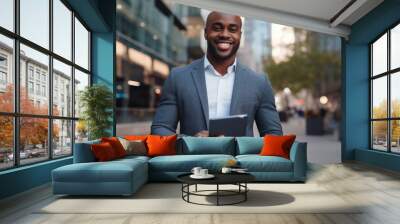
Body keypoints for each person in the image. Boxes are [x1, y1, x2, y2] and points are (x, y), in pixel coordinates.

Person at [151, 11, 282, 137]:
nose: (225, 34)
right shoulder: (178, 77)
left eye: (232, 29)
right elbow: (160, 129)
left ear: (240, 35)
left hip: (239, 159)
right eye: (217, 28)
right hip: (193, 159)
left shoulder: (259, 82)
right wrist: (190, 141)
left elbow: (274, 135)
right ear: (206, 33)